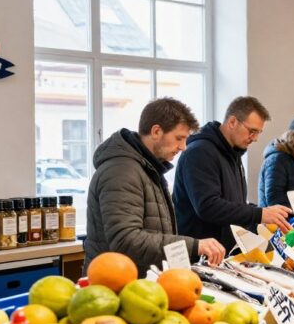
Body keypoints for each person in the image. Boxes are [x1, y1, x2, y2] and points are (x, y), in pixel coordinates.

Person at [84, 98, 225, 276]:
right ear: (156, 131)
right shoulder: (121, 171)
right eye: (179, 138)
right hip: (113, 284)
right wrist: (194, 246)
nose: (183, 147)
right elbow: (126, 240)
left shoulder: (147, 168)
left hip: (140, 281)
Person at [174, 96, 293, 253]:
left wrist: (265, 212)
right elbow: (208, 206)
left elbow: (233, 202)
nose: (255, 138)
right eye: (252, 131)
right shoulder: (200, 152)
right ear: (232, 122)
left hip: (224, 251)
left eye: (258, 133)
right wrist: (259, 214)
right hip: (200, 255)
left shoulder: (232, 153)